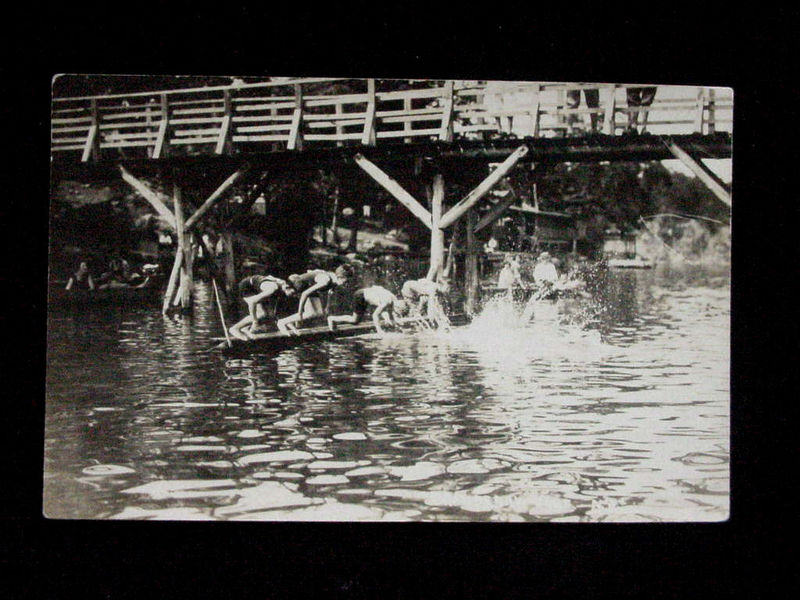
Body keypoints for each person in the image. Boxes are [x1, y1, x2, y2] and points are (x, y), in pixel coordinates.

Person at [277, 264, 353, 335]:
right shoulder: (325, 281)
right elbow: (305, 294)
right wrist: (300, 313)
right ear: (340, 277)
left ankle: (288, 321)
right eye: (346, 282)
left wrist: (327, 307)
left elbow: (330, 292)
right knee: (310, 312)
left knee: (319, 313)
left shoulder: (335, 280)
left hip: (309, 285)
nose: (347, 284)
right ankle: (281, 322)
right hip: (300, 284)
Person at [228, 274, 296, 340]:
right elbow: (252, 302)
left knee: (266, 313)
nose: (293, 296)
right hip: (247, 287)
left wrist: (289, 325)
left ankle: (245, 328)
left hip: (256, 287)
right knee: (260, 314)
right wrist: (255, 321)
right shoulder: (272, 289)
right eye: (293, 293)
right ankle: (234, 328)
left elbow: (278, 311)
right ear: (287, 287)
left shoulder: (282, 286)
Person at [327, 285, 403, 335]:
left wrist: (389, 320)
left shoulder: (394, 299)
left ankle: (333, 319)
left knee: (356, 320)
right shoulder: (388, 301)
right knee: (355, 320)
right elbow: (375, 315)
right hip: (360, 296)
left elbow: (385, 309)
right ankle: (332, 318)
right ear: (396, 307)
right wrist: (379, 331)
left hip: (365, 293)